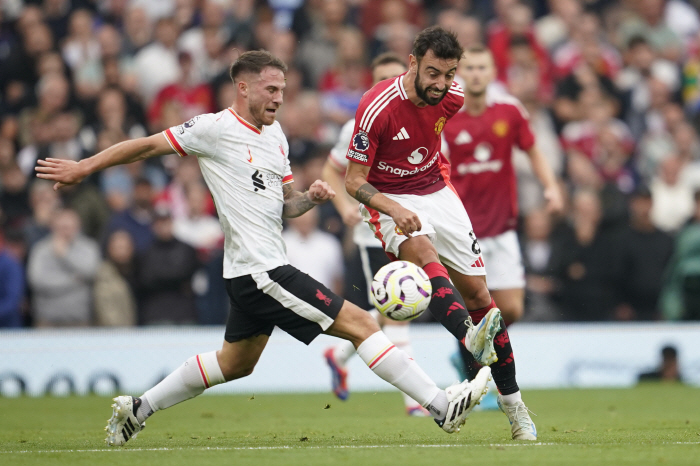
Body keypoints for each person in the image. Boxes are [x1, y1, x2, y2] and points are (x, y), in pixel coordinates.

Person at [36, 50, 491, 447]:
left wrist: (307, 199)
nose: (278, 98)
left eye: (283, 90)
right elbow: (145, 147)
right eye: (271, 89)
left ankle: (137, 409)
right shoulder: (213, 129)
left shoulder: (276, 137)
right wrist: (84, 166)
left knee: (234, 364)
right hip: (262, 271)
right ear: (242, 87)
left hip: (252, 270)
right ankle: (437, 405)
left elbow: (284, 207)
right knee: (360, 322)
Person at [343, 26, 537, 440]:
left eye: (449, 74)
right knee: (426, 255)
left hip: (437, 192)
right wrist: (394, 208)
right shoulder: (376, 107)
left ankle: (514, 407)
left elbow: (433, 141)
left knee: (482, 298)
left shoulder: (454, 97)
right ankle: (471, 338)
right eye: (433, 73)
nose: (441, 84)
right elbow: (353, 180)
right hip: (389, 198)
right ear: (412, 61)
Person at [441, 45, 563, 402]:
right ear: (461, 73)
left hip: (503, 228)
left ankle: (471, 347)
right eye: (470, 68)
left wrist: (551, 187)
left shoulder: (509, 110)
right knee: (474, 306)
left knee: (511, 308)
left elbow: (533, 149)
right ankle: (480, 379)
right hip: (462, 230)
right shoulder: (447, 113)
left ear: (493, 72)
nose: (476, 73)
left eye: (483, 67)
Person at [321, 52, 430, 416]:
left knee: (394, 307)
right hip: (374, 231)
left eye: (392, 78)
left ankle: (338, 353)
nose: (387, 85)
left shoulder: (419, 118)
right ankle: (415, 400)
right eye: (380, 79)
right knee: (399, 307)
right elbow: (332, 169)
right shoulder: (357, 125)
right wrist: (343, 209)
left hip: (411, 226)